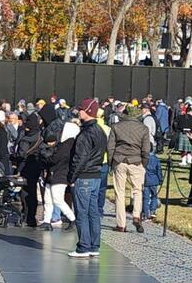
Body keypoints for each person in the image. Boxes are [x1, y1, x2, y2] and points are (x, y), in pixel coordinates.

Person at [67, 98, 107, 257]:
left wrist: (72, 177)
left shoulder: (85, 134)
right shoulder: (100, 131)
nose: (78, 112)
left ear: (88, 112)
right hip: (96, 174)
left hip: (84, 176)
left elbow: (80, 158)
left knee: (82, 212)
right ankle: (94, 245)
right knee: (93, 212)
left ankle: (83, 246)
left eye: (81, 109)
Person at [108, 102, 150, 234]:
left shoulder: (116, 127)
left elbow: (110, 147)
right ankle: (137, 215)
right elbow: (146, 149)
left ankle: (121, 224)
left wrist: (111, 162)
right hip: (136, 161)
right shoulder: (143, 129)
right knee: (137, 190)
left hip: (119, 161)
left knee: (119, 192)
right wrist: (144, 163)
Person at [40, 119, 78, 230]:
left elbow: (55, 159)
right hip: (55, 175)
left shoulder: (66, 146)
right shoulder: (65, 144)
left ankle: (72, 218)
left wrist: (46, 156)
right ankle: (47, 221)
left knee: (57, 199)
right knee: (48, 199)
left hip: (59, 175)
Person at [17, 110, 44, 228]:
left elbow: (21, 154)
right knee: (33, 192)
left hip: (25, 167)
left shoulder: (25, 139)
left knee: (25, 192)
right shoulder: (40, 136)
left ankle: (26, 215)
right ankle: (32, 217)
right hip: (37, 167)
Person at [142, 147, 164, 222]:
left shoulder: (144, 159)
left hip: (145, 180)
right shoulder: (156, 159)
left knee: (146, 198)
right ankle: (152, 211)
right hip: (154, 181)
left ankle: (145, 213)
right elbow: (159, 170)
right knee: (154, 196)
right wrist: (161, 179)